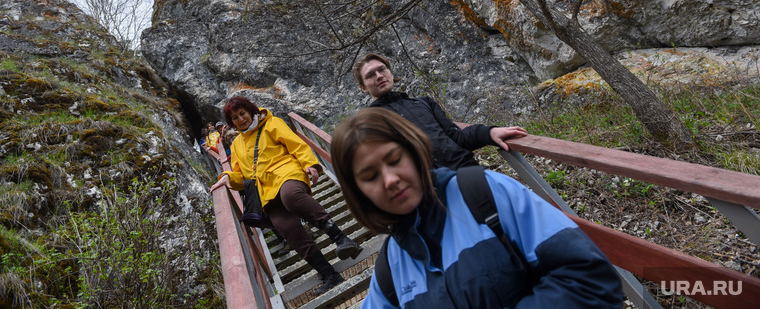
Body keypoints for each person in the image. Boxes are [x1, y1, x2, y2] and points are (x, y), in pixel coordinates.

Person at [330, 108, 623, 308]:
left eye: (394, 159)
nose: (390, 180)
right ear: (359, 193)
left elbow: (590, 276)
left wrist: (486, 132)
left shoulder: (487, 194)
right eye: (369, 176)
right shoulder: (390, 269)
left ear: (415, 151)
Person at [210, 96, 362, 295]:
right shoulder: (237, 144)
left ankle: (342, 239)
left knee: (291, 196)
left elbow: (296, 145)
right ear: (231, 122)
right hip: (265, 190)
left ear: (250, 111)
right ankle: (329, 274)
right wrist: (227, 177)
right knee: (288, 228)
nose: (240, 119)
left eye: (242, 113)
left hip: (286, 173)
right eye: (235, 117)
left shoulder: (272, 123)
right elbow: (241, 176)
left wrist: (310, 164)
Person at [353, 53, 528, 169]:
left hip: (469, 174)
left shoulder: (423, 102)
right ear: (362, 87)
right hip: (432, 195)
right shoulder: (369, 124)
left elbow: (456, 136)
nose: (379, 76)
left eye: (382, 69)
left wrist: (488, 132)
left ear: (390, 72)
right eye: (370, 75)